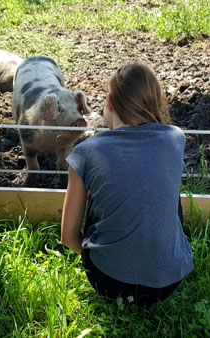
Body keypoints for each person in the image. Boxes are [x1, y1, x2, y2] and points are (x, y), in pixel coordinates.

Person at [61, 62, 194, 307]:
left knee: (100, 193)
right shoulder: (175, 138)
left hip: (108, 282)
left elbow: (68, 237)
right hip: (169, 283)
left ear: (109, 102)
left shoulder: (86, 153)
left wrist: (100, 256)